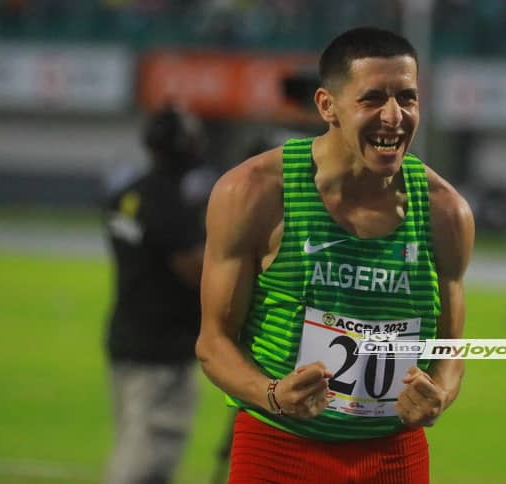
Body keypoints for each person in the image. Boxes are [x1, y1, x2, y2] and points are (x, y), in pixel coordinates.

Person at [196, 27, 475, 483]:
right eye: (372, 99)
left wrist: (439, 393)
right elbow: (213, 343)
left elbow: (450, 349)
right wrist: (271, 394)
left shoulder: (447, 212)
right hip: (277, 447)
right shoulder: (253, 193)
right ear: (327, 106)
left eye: (407, 98)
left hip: (392, 457)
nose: (394, 116)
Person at [103, 105, 209, 484]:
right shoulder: (167, 200)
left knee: (134, 442)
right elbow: (195, 270)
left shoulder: (126, 196)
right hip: (163, 347)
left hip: (128, 335)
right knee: (147, 459)